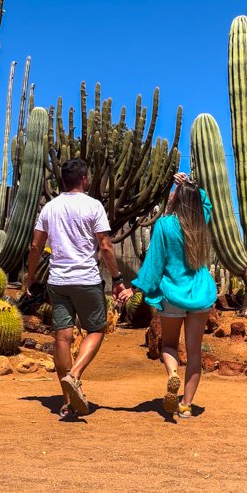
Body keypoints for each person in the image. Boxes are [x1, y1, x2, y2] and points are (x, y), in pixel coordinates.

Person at [23, 158, 126, 418]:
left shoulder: (50, 208)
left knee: (62, 338)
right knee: (96, 329)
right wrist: (117, 278)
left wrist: (30, 276)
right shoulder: (93, 206)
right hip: (86, 279)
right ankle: (75, 374)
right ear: (83, 179)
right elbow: (104, 245)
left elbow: (36, 246)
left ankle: (68, 402)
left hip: (57, 281)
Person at [119, 173, 216, 419]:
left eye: (174, 193)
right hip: (200, 295)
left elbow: (154, 263)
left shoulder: (164, 225)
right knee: (194, 353)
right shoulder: (200, 222)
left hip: (172, 295)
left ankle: (173, 375)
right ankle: (185, 405)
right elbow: (206, 203)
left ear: (177, 200)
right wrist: (188, 186)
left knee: (170, 345)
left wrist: (135, 288)